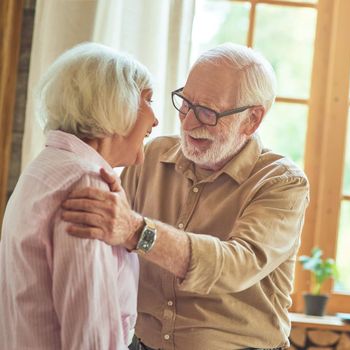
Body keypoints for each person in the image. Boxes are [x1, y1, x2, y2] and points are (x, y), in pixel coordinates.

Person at [62, 43, 310, 350]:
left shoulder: (281, 182)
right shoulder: (152, 155)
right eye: (185, 103)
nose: (188, 122)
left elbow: (237, 265)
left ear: (252, 120)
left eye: (207, 112)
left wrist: (138, 232)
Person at [0, 42, 158, 349]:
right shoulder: (85, 183)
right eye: (148, 100)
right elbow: (90, 336)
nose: (155, 120)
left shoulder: (47, 167)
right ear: (117, 104)